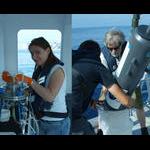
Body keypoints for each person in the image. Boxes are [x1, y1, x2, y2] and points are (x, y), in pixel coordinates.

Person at [71, 40, 134, 135]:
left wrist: (91, 102)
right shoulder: (97, 67)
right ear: (98, 54)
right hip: (71, 118)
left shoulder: (70, 57)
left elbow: (76, 84)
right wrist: (132, 102)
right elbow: (125, 101)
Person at [16, 37, 70, 135]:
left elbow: (49, 97)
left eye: (37, 52)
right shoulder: (40, 69)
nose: (34, 57)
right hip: (40, 119)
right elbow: (38, 88)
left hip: (55, 124)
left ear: (48, 50)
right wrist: (24, 91)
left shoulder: (57, 70)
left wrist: (29, 80)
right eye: (32, 53)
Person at [100, 28, 149, 135]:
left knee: (138, 105)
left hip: (133, 83)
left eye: (116, 48)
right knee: (101, 104)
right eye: (110, 48)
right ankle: (100, 129)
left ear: (122, 43)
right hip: (111, 83)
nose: (113, 51)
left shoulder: (132, 49)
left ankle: (143, 129)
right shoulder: (103, 54)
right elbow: (103, 74)